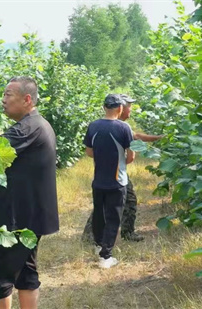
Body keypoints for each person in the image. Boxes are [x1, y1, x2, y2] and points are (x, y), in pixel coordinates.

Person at [0, 76, 59, 309]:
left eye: (8, 95)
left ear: (27, 99)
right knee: (26, 271)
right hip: (32, 215)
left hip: (20, 218)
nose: (3, 100)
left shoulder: (27, 128)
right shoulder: (36, 124)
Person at [81, 94, 163, 243]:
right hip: (116, 172)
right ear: (121, 108)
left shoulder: (101, 125)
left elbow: (135, 136)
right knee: (118, 200)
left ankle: (98, 235)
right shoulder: (120, 126)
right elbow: (131, 151)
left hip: (105, 171)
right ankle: (97, 235)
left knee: (110, 201)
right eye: (129, 107)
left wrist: (158, 138)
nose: (130, 110)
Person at [83, 94, 135, 268]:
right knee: (114, 217)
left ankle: (99, 246)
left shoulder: (93, 126)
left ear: (104, 107)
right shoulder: (124, 128)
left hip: (98, 180)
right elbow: (131, 156)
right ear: (120, 108)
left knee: (99, 214)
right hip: (117, 181)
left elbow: (89, 152)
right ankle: (106, 256)